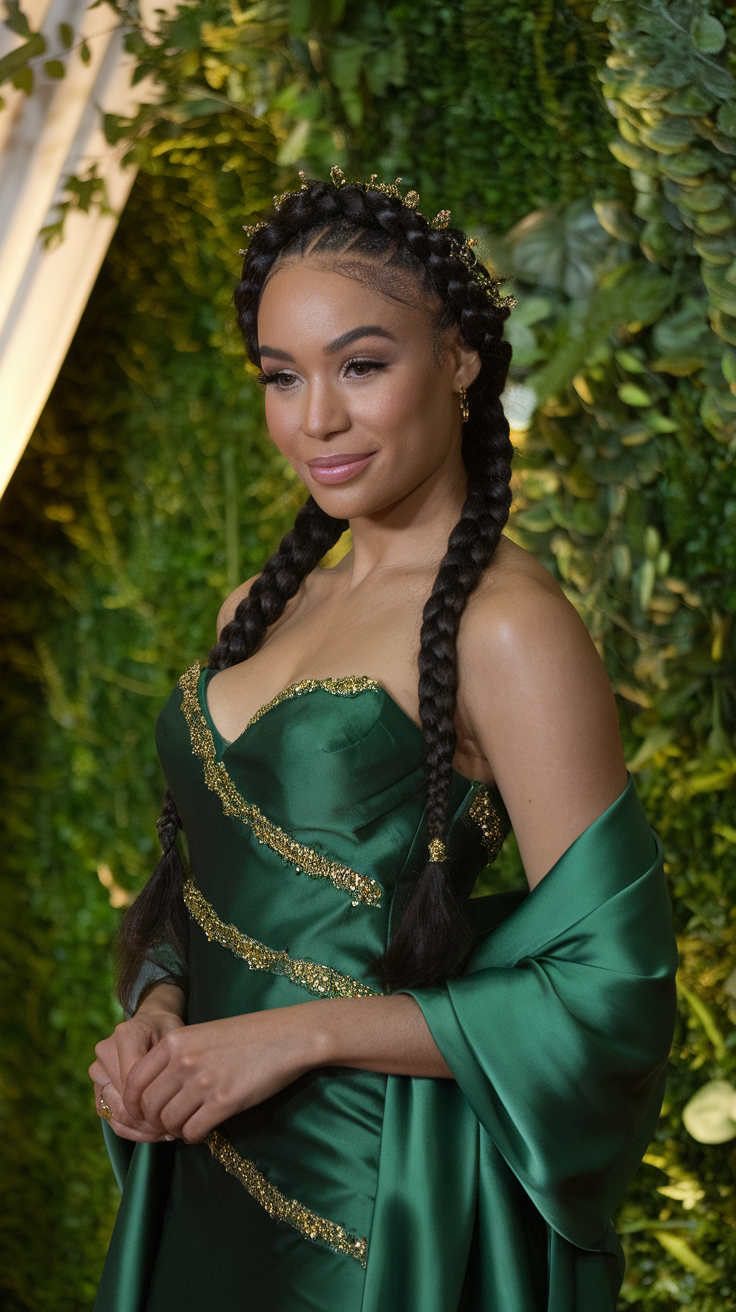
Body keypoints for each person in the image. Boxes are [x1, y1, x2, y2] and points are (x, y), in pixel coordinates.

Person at [89, 168, 678, 1312]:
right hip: (196, 1169)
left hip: (366, 1206)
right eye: (281, 375)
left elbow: (613, 991)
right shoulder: (254, 605)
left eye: (360, 364)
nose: (316, 418)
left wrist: (294, 1038)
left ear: (457, 358)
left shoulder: (507, 629)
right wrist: (160, 1019)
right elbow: (215, 890)